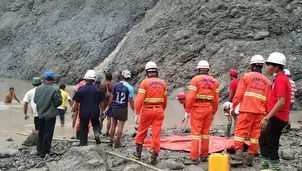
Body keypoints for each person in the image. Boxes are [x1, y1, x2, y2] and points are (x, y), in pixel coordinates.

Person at [230, 55, 271, 166]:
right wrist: (266, 115)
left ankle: (238, 154)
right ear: (262, 66)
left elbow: (239, 94)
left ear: (252, 65)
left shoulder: (246, 76)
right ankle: (250, 157)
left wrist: (233, 106)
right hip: (260, 113)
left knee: (240, 131)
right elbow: (268, 100)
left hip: (247, 110)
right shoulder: (267, 81)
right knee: (256, 135)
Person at [259, 52, 291, 171]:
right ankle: (266, 166)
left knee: (271, 143)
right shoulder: (279, 78)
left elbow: (281, 101)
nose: (266, 67)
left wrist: (267, 118)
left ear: (277, 67)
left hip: (277, 117)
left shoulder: (281, 80)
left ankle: (274, 169)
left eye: (269, 65)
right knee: (263, 140)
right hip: (275, 116)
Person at [184, 60, 219, 165]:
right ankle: (204, 155)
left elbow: (191, 97)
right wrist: (214, 111)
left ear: (199, 69)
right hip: (209, 108)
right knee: (205, 134)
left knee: (195, 134)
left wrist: (187, 110)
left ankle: (194, 157)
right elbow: (216, 99)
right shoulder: (214, 81)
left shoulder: (195, 80)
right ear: (208, 69)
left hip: (198, 108)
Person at [132, 61, 167, 165]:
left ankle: (138, 154)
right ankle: (153, 157)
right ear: (156, 71)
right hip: (159, 110)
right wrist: (161, 109)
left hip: (147, 110)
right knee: (156, 133)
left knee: (142, 131)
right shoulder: (163, 83)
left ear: (147, 72)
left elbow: (139, 100)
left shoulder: (145, 83)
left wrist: (137, 113)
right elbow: (165, 100)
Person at [73, 70, 105, 146]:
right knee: (96, 124)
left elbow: (76, 103)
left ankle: (83, 143)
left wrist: (74, 110)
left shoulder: (81, 89)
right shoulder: (98, 90)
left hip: (83, 112)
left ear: (85, 79)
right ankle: (96, 134)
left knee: (83, 127)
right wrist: (102, 111)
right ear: (94, 79)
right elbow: (102, 103)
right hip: (95, 111)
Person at [34, 72, 62, 158]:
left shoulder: (38, 89)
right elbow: (58, 102)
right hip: (50, 115)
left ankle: (39, 150)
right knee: (48, 133)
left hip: (40, 114)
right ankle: (45, 151)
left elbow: (35, 100)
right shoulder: (55, 89)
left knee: (41, 132)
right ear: (53, 80)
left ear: (44, 79)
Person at [106, 70, 135, 147]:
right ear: (129, 78)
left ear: (122, 76)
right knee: (120, 126)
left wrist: (108, 106)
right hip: (123, 108)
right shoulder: (130, 88)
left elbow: (112, 97)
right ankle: (117, 143)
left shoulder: (116, 85)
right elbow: (131, 101)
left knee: (113, 125)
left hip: (115, 107)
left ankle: (110, 141)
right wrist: (134, 111)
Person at [224, 69, 239, 137]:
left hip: (234, 101)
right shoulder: (238, 81)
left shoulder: (233, 82)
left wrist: (228, 102)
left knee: (229, 115)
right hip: (238, 101)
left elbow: (231, 92)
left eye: (230, 75)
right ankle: (234, 132)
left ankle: (229, 133)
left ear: (231, 75)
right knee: (235, 116)